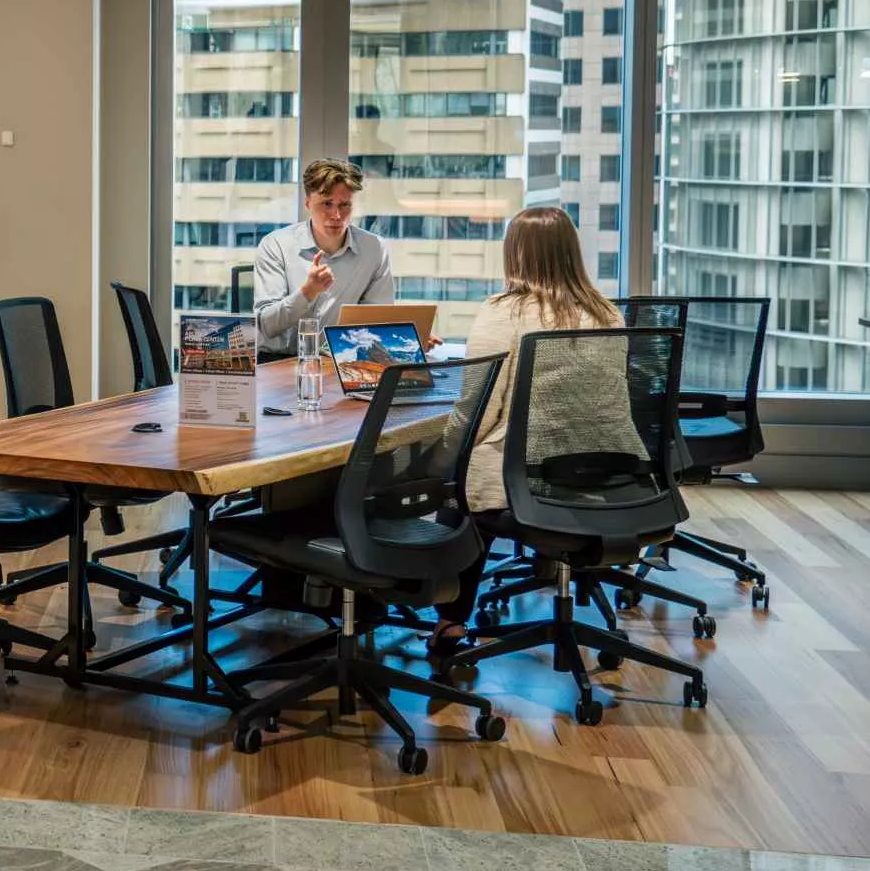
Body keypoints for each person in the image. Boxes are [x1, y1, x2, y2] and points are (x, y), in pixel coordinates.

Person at [426, 205, 643, 656]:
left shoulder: (503, 313)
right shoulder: (607, 313)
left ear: (515, 255)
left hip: (527, 484)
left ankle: (449, 623)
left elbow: (475, 412)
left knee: (454, 490)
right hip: (608, 481)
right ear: (569, 252)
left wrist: (438, 459)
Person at [253, 157, 397, 358]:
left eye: (344, 205)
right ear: (307, 203)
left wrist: (408, 338)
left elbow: (377, 321)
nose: (337, 215)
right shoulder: (275, 245)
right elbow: (267, 326)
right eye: (327, 204)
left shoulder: (374, 249)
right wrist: (307, 292)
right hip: (280, 361)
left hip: (340, 362)